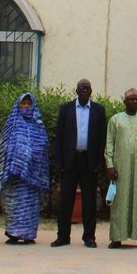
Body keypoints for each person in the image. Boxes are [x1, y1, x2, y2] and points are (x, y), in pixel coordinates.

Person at [52, 78, 107, 249]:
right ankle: (63, 236)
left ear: (91, 91)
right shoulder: (66, 109)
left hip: (89, 161)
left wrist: (99, 161)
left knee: (89, 201)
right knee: (66, 200)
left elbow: (102, 139)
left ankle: (89, 237)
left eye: (87, 88)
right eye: (81, 88)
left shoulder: (98, 110)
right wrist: (59, 161)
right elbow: (59, 136)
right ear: (76, 91)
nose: (84, 90)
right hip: (70, 160)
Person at [0, 92, 50, 245]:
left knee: (30, 205)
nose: (26, 107)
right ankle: (13, 233)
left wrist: (32, 156)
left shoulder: (38, 125)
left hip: (33, 176)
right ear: (18, 106)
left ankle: (28, 234)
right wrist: (16, 160)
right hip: (14, 176)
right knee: (14, 204)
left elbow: (43, 146)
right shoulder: (12, 123)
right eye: (23, 104)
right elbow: (4, 146)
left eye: (28, 104)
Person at [105, 88, 137, 249]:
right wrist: (110, 165)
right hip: (121, 166)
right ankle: (117, 237)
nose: (134, 102)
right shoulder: (116, 120)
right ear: (124, 102)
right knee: (120, 200)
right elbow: (109, 143)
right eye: (131, 99)